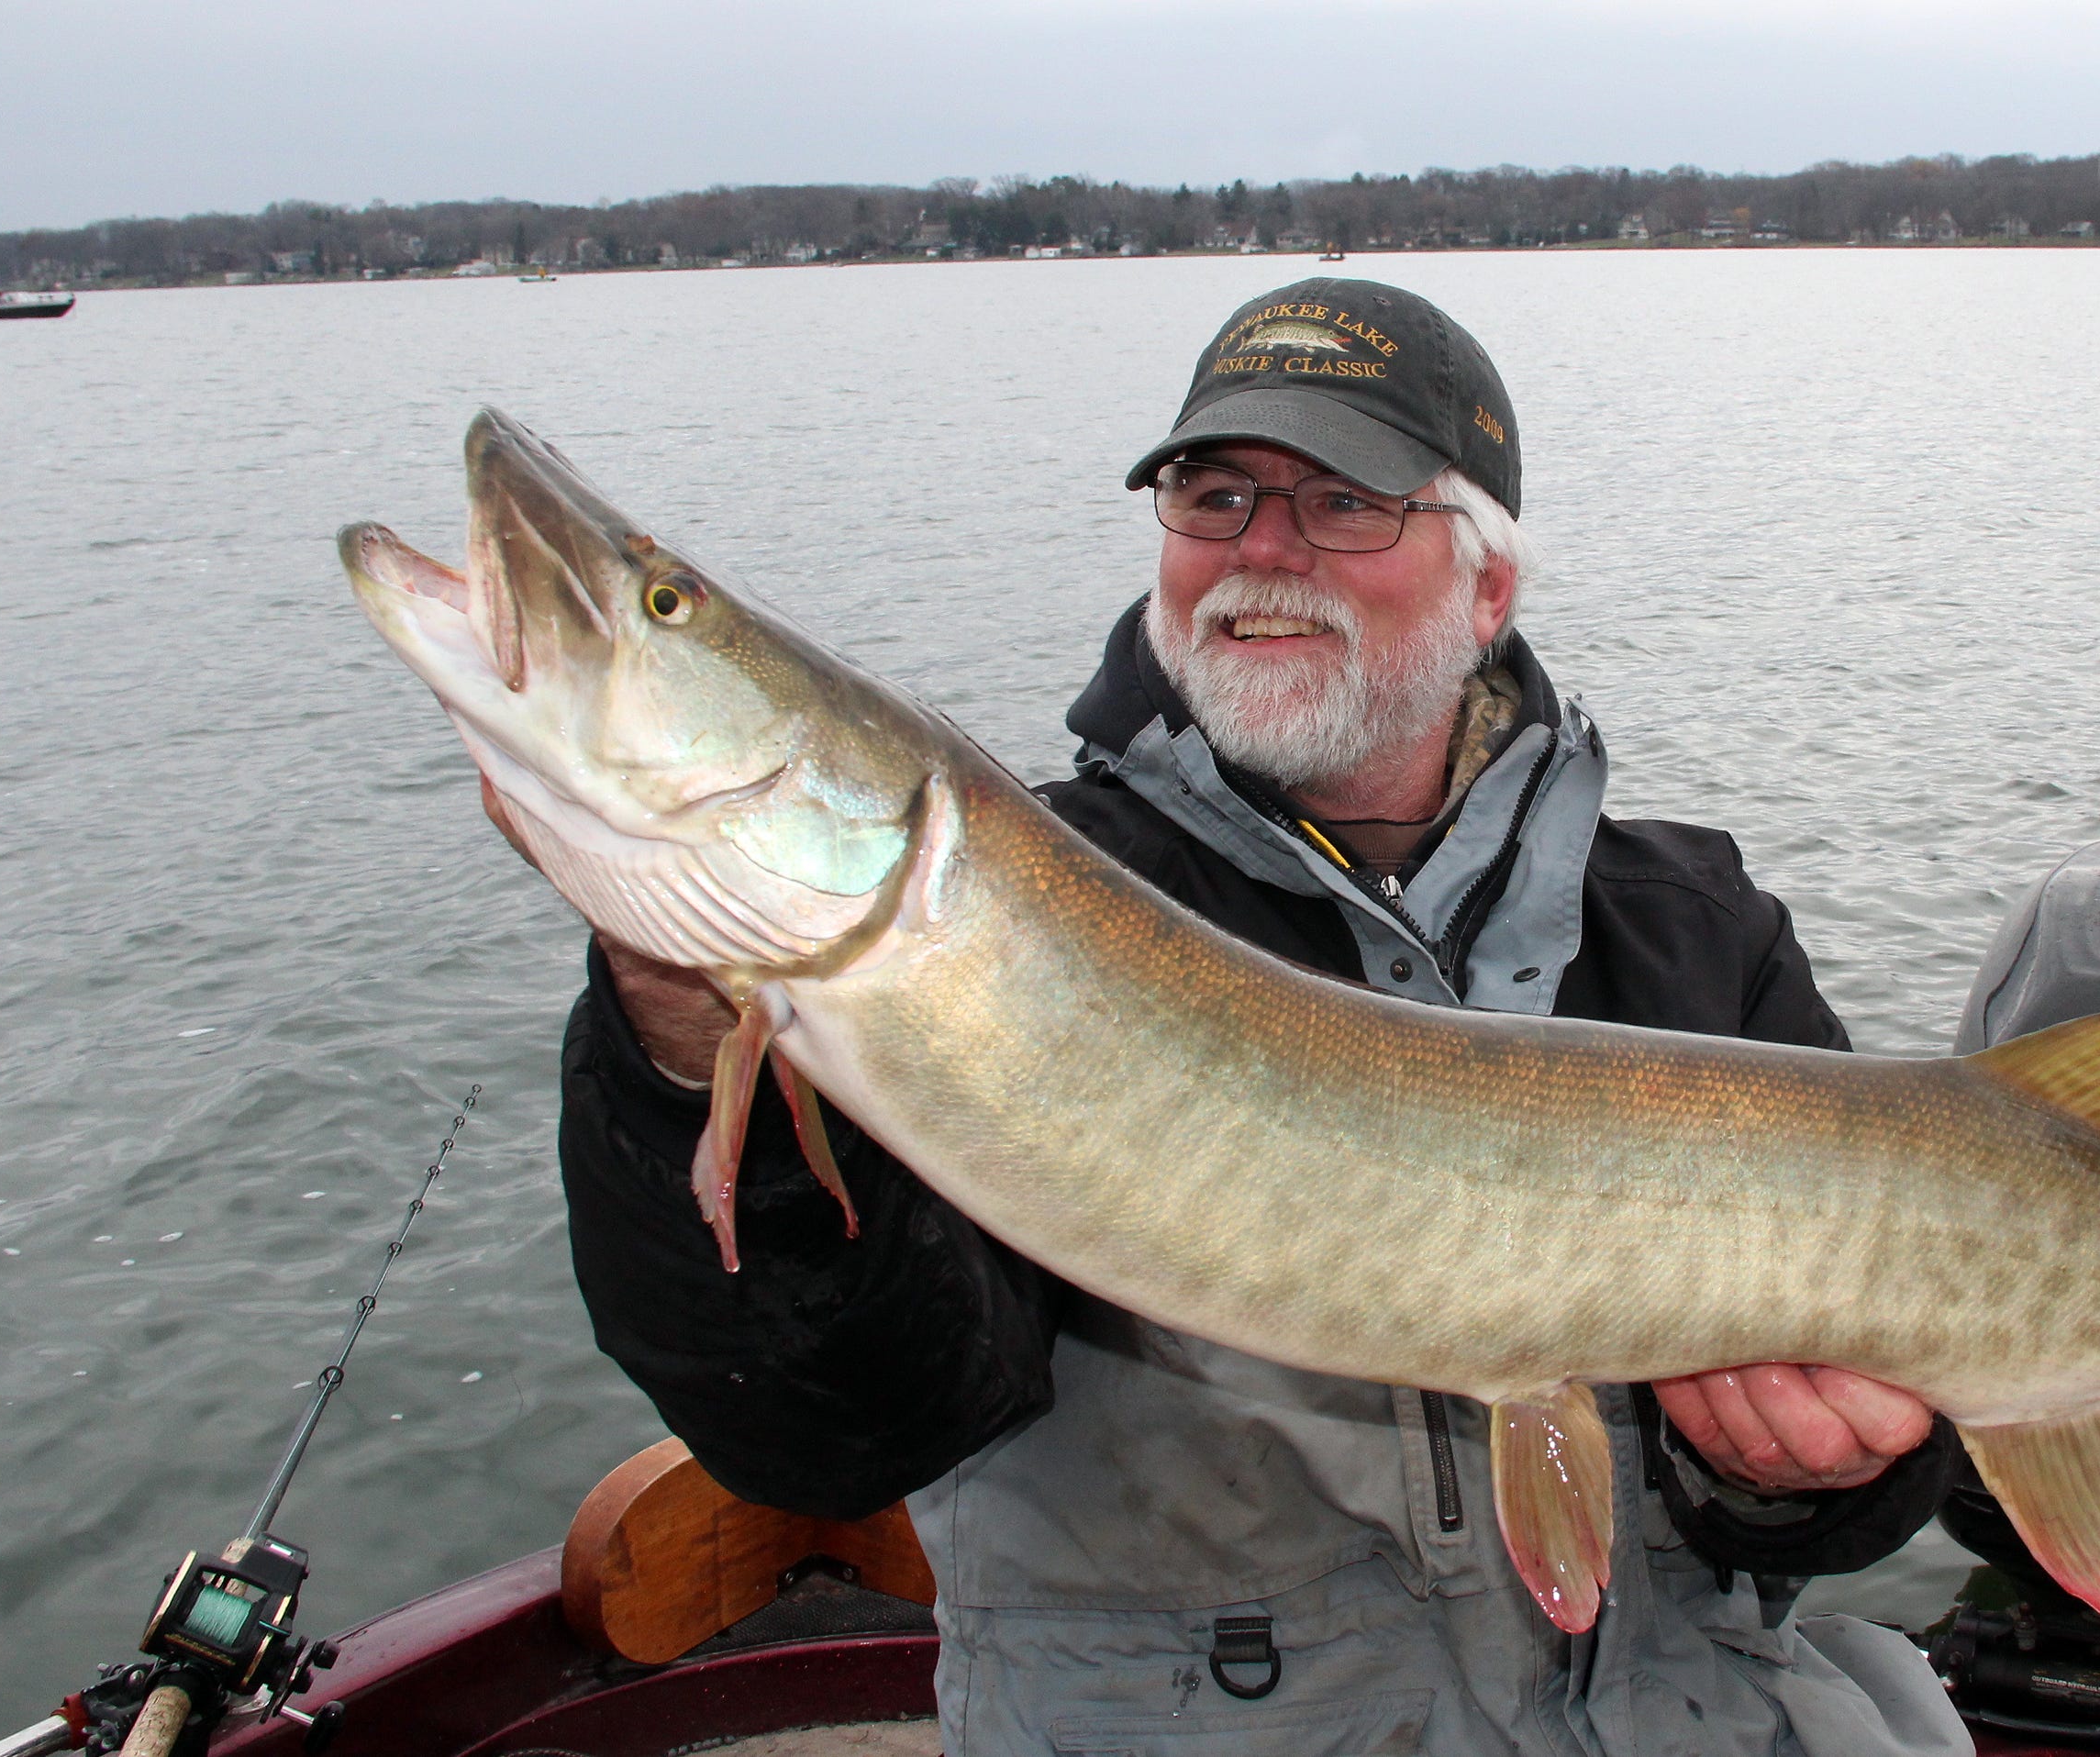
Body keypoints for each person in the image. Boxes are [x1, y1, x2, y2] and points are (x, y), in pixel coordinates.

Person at [531, 279, 1975, 1755]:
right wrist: (685, 1054)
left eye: (1344, 503)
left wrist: (1796, 1479)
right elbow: (831, 1430)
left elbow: (1872, 1489)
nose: (1262, 552)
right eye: (1213, 497)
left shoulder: (1693, 932)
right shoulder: (997, 929)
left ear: (1487, 589)